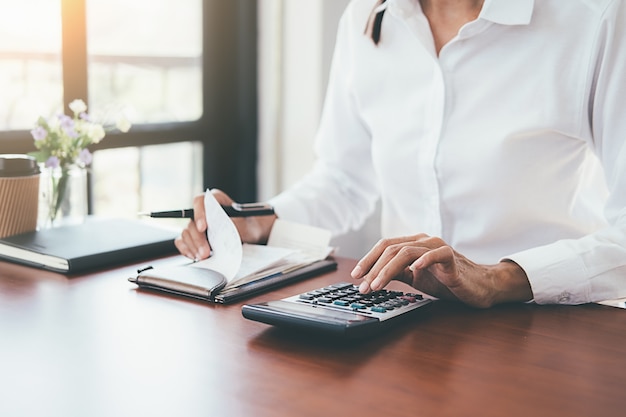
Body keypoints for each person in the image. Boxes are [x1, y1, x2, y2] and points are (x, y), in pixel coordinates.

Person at [176, 0, 626, 308]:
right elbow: (343, 181)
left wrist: (496, 278)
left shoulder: (595, 17)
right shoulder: (366, 18)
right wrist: (259, 219)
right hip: (404, 317)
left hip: (551, 323)